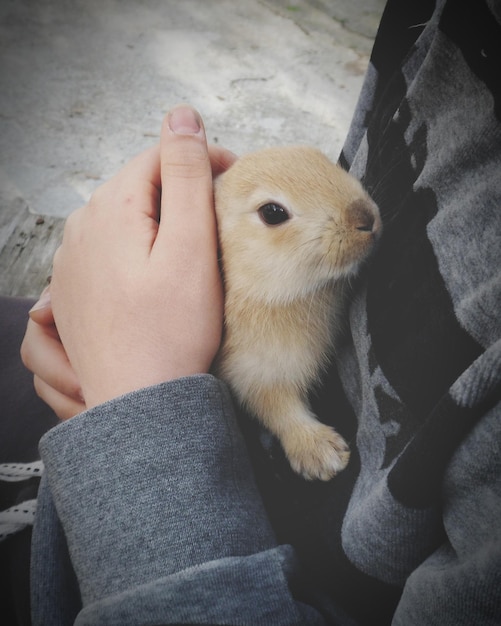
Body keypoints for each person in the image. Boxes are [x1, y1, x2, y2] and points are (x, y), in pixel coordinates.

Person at [1, 0, 500, 623]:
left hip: (199, 542)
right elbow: (255, 369)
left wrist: (137, 404)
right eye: (274, 214)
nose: (366, 214)